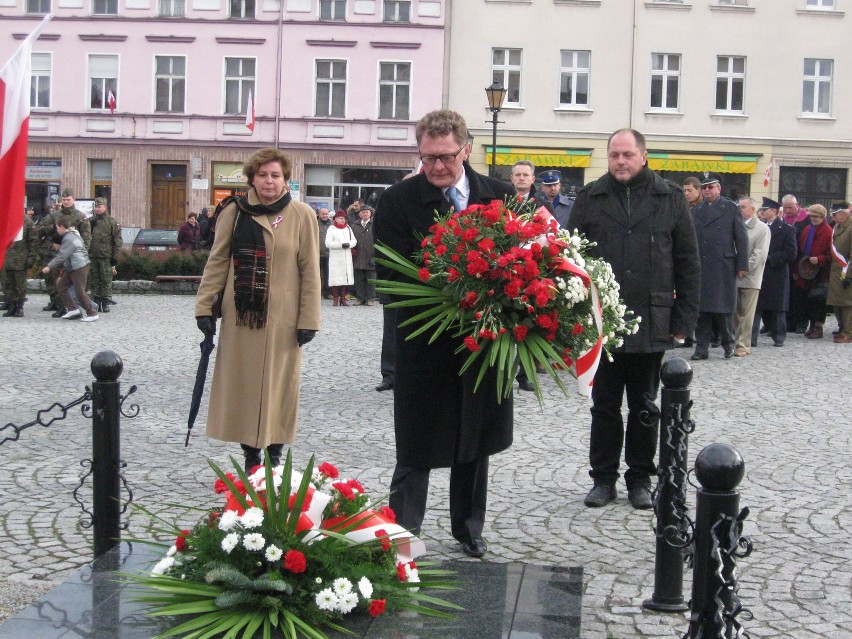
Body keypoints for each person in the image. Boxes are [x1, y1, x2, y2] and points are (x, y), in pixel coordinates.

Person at [373, 109, 515, 557]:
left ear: (466, 149)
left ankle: (468, 528)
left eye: (447, 157)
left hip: (485, 344)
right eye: (429, 157)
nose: (437, 166)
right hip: (424, 345)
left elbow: (527, 260)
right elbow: (389, 280)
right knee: (416, 443)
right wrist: (451, 296)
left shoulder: (500, 194)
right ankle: (403, 531)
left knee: (475, 439)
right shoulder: (397, 201)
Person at [570, 128, 700, 510]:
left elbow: (688, 263)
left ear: (643, 156)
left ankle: (641, 478)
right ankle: (603, 479)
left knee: (646, 406)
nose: (621, 161)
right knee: (604, 405)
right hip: (603, 321)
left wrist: (684, 319)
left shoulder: (671, 198)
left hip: (651, 318)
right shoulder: (591, 197)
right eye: (614, 155)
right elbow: (570, 259)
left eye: (627, 154)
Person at [195, 147, 321, 472]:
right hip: (242, 316)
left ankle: (274, 455)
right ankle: (252, 455)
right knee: (245, 386)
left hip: (283, 319)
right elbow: (218, 261)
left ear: (285, 180)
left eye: (275, 175)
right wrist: (205, 308)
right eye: (263, 175)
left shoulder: (302, 215)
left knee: (279, 388)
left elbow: (310, 271)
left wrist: (309, 318)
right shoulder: (234, 212)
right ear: (252, 178)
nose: (269, 181)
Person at [690, 172, 748, 361]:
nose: (707, 190)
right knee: (703, 311)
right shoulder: (697, 210)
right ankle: (701, 348)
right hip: (703, 264)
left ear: (719, 189)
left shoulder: (730, 208)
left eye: (711, 187)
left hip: (723, 265)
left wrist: (742, 264)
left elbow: (741, 238)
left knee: (723, 310)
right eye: (704, 187)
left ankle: (728, 345)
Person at [752, 198, 797, 348]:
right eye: (762, 210)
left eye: (765, 210)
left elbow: (791, 253)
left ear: (774, 211)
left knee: (778, 308)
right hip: (760, 273)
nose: (762, 212)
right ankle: (751, 338)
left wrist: (770, 259)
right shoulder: (759, 227)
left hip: (777, 273)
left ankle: (779, 337)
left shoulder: (787, 229)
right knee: (756, 307)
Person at [41, 215, 99, 322]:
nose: (57, 230)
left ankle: (92, 312)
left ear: (62, 227)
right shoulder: (70, 236)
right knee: (61, 285)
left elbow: (62, 256)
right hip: (72, 267)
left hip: (79, 267)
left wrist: (49, 266)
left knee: (79, 291)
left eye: (57, 228)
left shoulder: (69, 239)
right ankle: (73, 309)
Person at [732, 197, 769, 357]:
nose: (740, 209)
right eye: (739, 206)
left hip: (750, 277)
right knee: (734, 312)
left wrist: (744, 267)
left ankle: (743, 345)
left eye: (743, 207)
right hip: (733, 276)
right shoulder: (735, 225)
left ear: (753, 210)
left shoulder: (762, 229)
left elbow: (759, 253)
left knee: (747, 314)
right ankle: (735, 340)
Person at [791, 204, 833, 340]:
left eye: (816, 217)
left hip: (820, 272)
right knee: (806, 299)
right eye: (811, 216)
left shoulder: (828, 231)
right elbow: (800, 250)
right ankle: (810, 325)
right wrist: (796, 268)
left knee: (818, 300)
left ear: (822, 217)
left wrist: (820, 259)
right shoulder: (807, 229)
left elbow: (831, 254)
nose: (813, 219)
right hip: (805, 270)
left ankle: (818, 327)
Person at [87, 197, 123, 313]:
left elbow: (117, 241)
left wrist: (115, 257)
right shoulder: (91, 221)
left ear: (105, 207)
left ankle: (106, 301)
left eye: (99, 207)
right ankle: (96, 300)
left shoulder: (111, 222)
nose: (97, 209)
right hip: (92, 255)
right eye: (96, 207)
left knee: (106, 280)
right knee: (94, 280)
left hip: (106, 256)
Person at [1, 211, 38, 317]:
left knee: (20, 285)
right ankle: (11, 305)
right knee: (7, 284)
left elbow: (34, 241)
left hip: (20, 259)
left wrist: (31, 258)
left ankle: (19, 307)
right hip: (5, 258)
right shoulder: (4, 219)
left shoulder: (27, 221)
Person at [827, 204, 852, 343]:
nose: (833, 217)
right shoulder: (837, 227)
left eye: (835, 214)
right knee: (836, 303)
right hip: (836, 271)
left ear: (844, 213)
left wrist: (849, 275)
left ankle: (848, 332)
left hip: (846, 271)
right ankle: (842, 328)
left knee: (847, 304)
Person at [325, 210, 356, 306]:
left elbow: (354, 240)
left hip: (346, 257)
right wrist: (341, 245)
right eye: (341, 218)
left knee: (345, 278)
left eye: (344, 218)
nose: (343, 220)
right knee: (335, 278)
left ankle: (343, 298)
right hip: (336, 257)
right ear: (336, 219)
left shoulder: (348, 228)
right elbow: (328, 243)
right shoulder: (331, 229)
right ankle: (335, 298)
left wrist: (349, 244)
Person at [351, 206, 376, 305]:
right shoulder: (355, 225)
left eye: (366, 212)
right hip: (358, 255)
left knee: (371, 279)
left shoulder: (374, 224)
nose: (365, 214)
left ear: (370, 213)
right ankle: (360, 298)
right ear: (359, 214)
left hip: (371, 254)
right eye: (363, 212)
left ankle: (370, 299)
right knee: (359, 279)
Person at [316, 207, 333, 299]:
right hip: (317, 253)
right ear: (319, 214)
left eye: (326, 214)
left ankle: (328, 292)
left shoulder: (332, 225)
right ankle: (318, 292)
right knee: (317, 275)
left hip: (329, 254)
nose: (325, 216)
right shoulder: (314, 223)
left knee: (328, 275)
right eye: (323, 214)